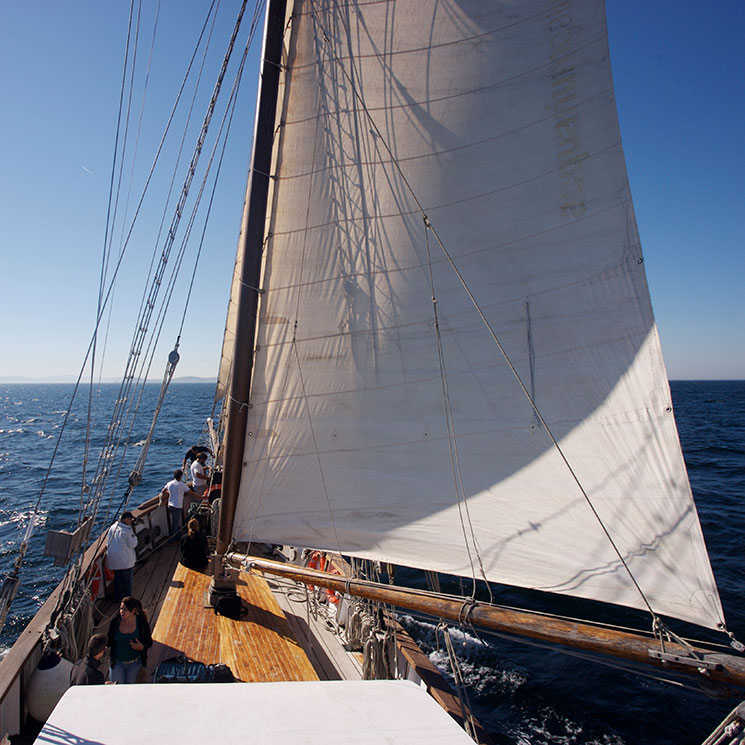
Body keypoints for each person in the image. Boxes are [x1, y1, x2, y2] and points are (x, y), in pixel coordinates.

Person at [107, 596, 152, 684]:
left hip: (135, 664)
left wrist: (142, 647)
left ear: (133, 610)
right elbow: (109, 639)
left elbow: (149, 641)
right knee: (116, 691)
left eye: (125, 609)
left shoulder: (141, 623)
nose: (122, 612)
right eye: (121, 609)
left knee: (131, 691)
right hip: (117, 664)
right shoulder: (115, 622)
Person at [105, 511, 138, 601]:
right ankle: (128, 600)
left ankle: (117, 598)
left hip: (114, 561)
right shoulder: (126, 531)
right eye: (130, 519)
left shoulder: (112, 527)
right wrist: (134, 536)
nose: (131, 521)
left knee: (118, 581)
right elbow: (133, 544)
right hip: (125, 562)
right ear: (126, 519)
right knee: (128, 582)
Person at [162, 469, 198, 537]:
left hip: (170, 505)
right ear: (180, 476)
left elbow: (163, 491)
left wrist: (171, 492)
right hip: (177, 506)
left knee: (176, 521)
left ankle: (178, 534)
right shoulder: (182, 485)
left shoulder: (169, 483)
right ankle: (172, 539)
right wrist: (200, 496)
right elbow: (190, 492)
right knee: (175, 524)